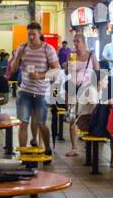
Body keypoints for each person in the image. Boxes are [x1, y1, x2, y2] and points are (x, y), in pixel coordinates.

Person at [9, 21, 60, 152]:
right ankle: (23, 154)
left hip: (41, 93)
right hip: (24, 91)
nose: (31, 37)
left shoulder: (48, 49)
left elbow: (56, 70)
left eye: (33, 35)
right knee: (23, 123)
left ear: (40, 34)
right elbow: (13, 69)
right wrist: (18, 55)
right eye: (29, 35)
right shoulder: (23, 48)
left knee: (41, 124)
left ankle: (47, 148)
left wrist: (40, 76)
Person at [66, 29, 101, 156]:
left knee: (89, 116)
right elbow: (68, 73)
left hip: (88, 90)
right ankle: (74, 148)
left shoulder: (91, 56)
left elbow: (98, 73)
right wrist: (69, 63)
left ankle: (89, 142)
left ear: (84, 42)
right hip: (74, 90)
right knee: (72, 118)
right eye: (74, 41)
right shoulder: (72, 55)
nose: (75, 43)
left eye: (78, 41)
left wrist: (97, 88)